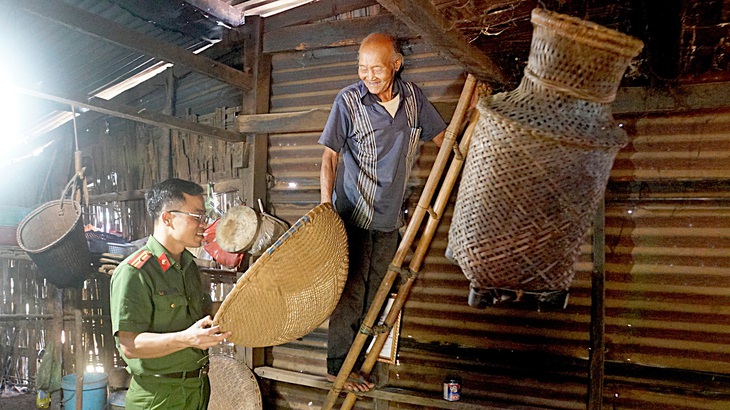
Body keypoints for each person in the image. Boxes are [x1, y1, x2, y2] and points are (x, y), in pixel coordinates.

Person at [319, 32, 447, 392]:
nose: (369, 76)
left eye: (377, 68)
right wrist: (326, 207)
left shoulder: (413, 99)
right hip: (353, 212)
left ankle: (357, 363)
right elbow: (329, 157)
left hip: (390, 216)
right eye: (362, 68)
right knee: (351, 291)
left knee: (376, 292)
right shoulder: (348, 101)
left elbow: (443, 138)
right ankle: (337, 369)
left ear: (396, 64)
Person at [110, 178, 231, 409]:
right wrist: (187, 338)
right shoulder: (135, 272)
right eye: (197, 217)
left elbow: (202, 313)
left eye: (204, 217)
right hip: (158, 396)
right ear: (168, 218)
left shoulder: (189, 266)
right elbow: (129, 345)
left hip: (197, 388)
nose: (204, 225)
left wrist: (239, 304)